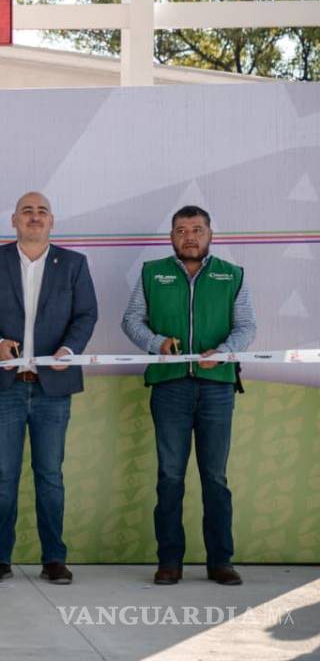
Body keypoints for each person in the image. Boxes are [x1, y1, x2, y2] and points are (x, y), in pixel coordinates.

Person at [0, 192, 98, 586]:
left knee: (50, 474)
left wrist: (70, 350)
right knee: (3, 474)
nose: (34, 217)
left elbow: (87, 313)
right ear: (14, 221)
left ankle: (54, 558)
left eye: (42, 212)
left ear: (52, 221)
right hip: (4, 385)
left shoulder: (73, 263)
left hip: (53, 388)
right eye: (27, 211)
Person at [121, 205, 255, 587]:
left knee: (215, 477)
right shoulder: (152, 273)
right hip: (169, 387)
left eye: (197, 229)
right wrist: (156, 343)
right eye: (182, 230)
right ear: (171, 237)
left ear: (210, 234)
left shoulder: (233, 275)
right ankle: (169, 562)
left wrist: (226, 350)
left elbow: (247, 326)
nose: (190, 237)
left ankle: (220, 562)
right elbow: (131, 320)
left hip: (218, 389)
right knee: (169, 477)